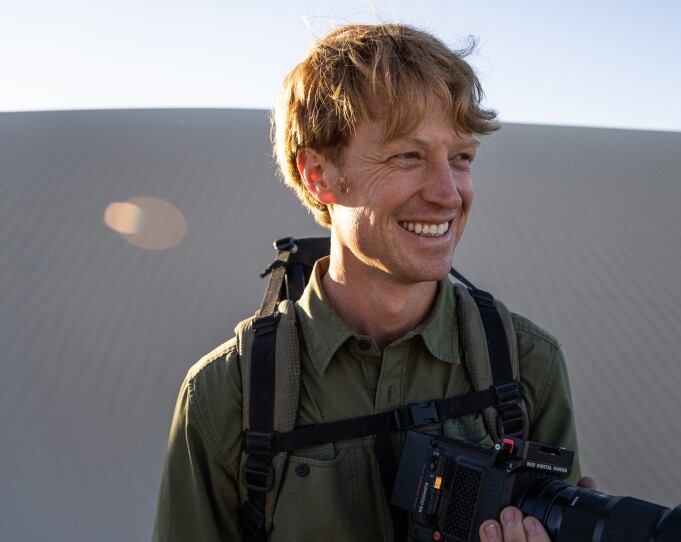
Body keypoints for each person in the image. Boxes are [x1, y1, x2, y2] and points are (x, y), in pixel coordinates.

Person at [153, 23, 590, 542]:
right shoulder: (229, 395)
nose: (448, 194)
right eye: (408, 155)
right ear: (320, 174)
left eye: (461, 158)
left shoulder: (525, 366)